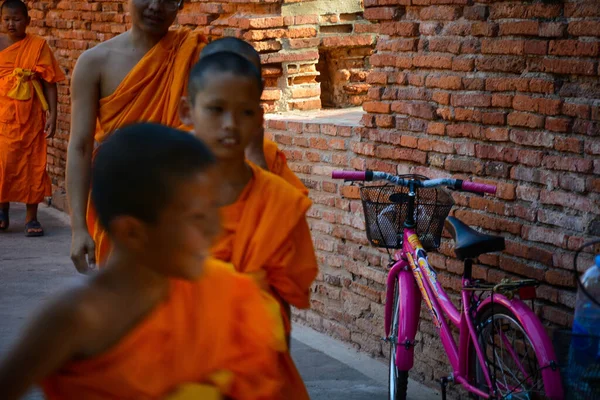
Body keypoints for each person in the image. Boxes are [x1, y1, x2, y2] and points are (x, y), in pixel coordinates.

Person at [0, 123, 283, 400]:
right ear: (132, 232)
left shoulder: (225, 294)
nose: (215, 229)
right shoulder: (77, 317)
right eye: (198, 218)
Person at [179, 51, 318, 400]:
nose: (230, 123)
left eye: (244, 112)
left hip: (260, 377)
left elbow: (284, 304)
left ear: (259, 118)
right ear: (186, 112)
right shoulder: (163, 196)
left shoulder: (280, 202)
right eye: (216, 109)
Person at [67, 0, 207, 272]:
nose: (156, 6)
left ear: (180, 5)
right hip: (121, 206)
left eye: (168, 0)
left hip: (182, 208)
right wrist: (78, 228)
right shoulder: (94, 63)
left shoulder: (194, 55)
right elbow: (80, 147)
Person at [199, 37, 308, 196]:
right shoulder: (178, 153)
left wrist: (255, 156)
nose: (230, 123)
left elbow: (289, 213)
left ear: (260, 87)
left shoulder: (266, 152)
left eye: (243, 77)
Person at [0, 0, 64, 236]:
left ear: (28, 21)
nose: (11, 23)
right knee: (2, 165)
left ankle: (31, 218)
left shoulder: (37, 46)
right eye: (6, 19)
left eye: (16, 19)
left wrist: (53, 116)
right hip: (2, 117)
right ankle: (2, 210)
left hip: (31, 117)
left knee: (33, 166)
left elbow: (50, 82)